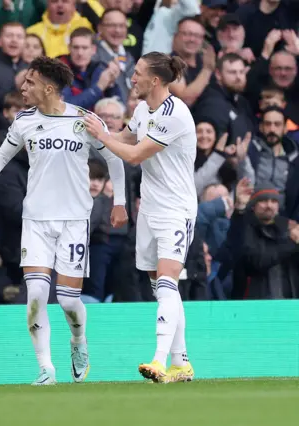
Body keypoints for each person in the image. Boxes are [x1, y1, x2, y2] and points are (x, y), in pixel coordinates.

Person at [0, 56, 128, 385]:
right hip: (37, 220)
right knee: (38, 293)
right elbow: (1, 156)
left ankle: (78, 341)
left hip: (73, 220)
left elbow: (114, 157)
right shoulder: (24, 121)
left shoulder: (84, 119)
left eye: (30, 82)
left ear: (49, 87)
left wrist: (120, 203)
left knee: (69, 300)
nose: (23, 87)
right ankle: (46, 368)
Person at [84, 51, 197, 384]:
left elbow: (133, 155)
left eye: (137, 74)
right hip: (149, 207)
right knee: (163, 288)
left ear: (155, 80)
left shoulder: (175, 113)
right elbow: (127, 138)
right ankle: (182, 363)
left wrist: (103, 136)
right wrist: (95, 133)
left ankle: (159, 361)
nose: (132, 79)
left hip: (176, 209)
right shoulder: (142, 110)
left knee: (166, 284)